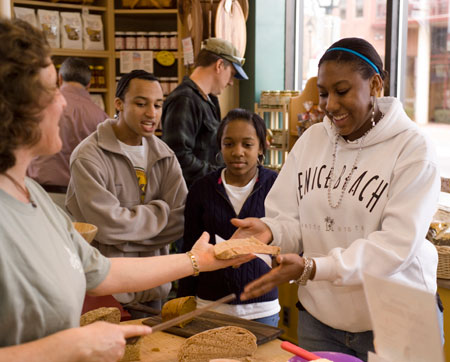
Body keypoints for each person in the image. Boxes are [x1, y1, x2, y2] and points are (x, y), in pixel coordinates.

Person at [0, 18, 254, 361]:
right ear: (13, 105)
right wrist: (73, 346)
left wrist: (198, 260)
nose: (63, 104)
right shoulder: (76, 163)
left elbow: (100, 270)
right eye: (51, 89)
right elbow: (109, 232)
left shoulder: (32, 195)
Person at [234, 37, 442, 361]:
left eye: (341, 91)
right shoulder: (312, 140)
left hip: (397, 321)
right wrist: (271, 233)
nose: (329, 105)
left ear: (374, 84)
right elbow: (290, 217)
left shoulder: (414, 150)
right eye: (323, 92)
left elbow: (394, 248)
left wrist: (315, 267)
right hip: (321, 320)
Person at [66, 70, 188, 316]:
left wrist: (124, 237)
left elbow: (180, 221)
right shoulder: (88, 156)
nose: (151, 113)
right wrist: (160, 212)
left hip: (154, 290)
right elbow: (107, 225)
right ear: (119, 104)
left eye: (157, 105)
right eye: (141, 104)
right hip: (105, 293)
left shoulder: (165, 155)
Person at [177, 108, 280, 327]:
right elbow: (189, 249)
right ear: (220, 146)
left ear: (261, 147)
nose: (238, 152)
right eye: (229, 144)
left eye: (247, 144)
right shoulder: (201, 189)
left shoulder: (277, 185)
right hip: (210, 308)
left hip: (262, 310)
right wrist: (183, 302)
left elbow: (292, 242)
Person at [161, 37, 249, 188]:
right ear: (220, 65)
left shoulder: (209, 100)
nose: (231, 82)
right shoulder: (184, 100)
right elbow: (178, 158)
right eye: (232, 74)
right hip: (190, 199)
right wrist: (221, 176)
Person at [27, 57, 108, 191]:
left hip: (39, 190)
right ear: (89, 84)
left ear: (59, 79)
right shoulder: (102, 117)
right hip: (83, 193)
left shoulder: (39, 106)